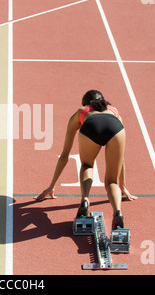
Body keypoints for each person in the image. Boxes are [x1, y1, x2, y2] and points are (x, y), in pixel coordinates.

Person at [36, 90, 137, 229]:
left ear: (84, 103)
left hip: (91, 127)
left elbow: (65, 155)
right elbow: (122, 160)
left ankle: (85, 199)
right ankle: (117, 212)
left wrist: (51, 185)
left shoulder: (81, 111)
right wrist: (122, 185)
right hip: (116, 128)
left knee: (87, 165)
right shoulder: (114, 110)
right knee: (111, 181)